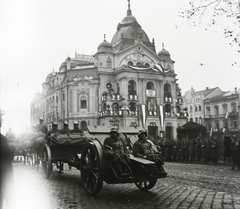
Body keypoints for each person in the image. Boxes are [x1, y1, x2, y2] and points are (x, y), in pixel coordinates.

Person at [0, 109, 15, 209]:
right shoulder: (2, 139)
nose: (2, 120)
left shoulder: (5, 136)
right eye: (1, 118)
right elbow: (6, 168)